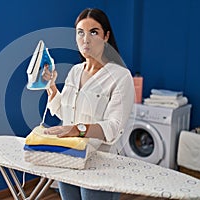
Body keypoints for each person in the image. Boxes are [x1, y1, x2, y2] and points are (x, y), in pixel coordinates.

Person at [42, 8, 135, 200]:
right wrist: (50, 87)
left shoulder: (120, 76)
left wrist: (78, 129)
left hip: (100, 163)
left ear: (106, 36)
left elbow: (114, 127)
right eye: (80, 32)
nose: (86, 39)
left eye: (94, 32)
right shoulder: (75, 72)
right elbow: (65, 113)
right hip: (68, 156)